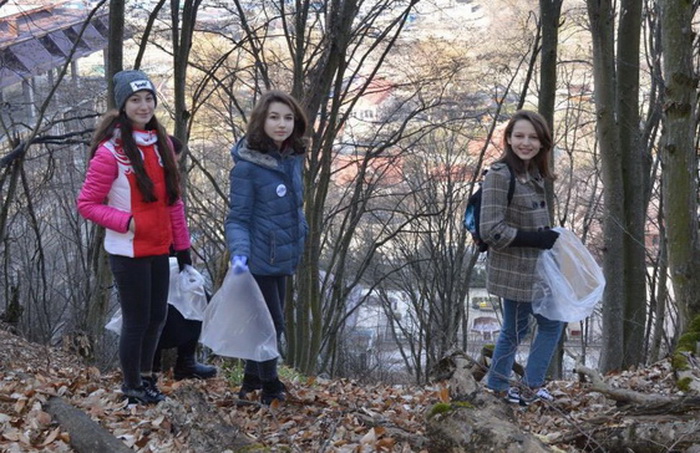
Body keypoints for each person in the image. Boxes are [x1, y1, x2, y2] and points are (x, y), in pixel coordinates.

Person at [77, 70, 192, 404]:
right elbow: (87, 204)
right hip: (127, 251)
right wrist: (127, 222)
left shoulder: (162, 144)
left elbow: (173, 201)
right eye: (135, 100)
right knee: (136, 321)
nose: (144, 106)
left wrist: (182, 247)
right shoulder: (110, 152)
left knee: (157, 318)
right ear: (123, 106)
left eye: (148, 99)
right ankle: (131, 387)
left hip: (159, 247)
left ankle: (146, 380)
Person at [225, 90, 308, 405]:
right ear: (261, 121)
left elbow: (294, 206)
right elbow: (237, 218)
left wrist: (301, 232)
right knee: (271, 324)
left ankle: (250, 381)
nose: (281, 124)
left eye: (288, 118)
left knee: (266, 321)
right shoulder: (247, 166)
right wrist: (240, 254)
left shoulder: (291, 158)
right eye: (274, 117)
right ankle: (271, 386)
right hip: (257, 257)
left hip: (282, 256)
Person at [480, 110, 564, 406]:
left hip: (538, 269)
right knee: (517, 330)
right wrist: (535, 239)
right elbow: (490, 230)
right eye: (519, 136)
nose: (525, 143)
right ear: (508, 139)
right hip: (514, 271)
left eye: (533, 137)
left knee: (546, 324)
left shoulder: (534, 173)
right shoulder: (499, 175)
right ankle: (504, 388)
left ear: (543, 143)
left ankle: (518, 387)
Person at [152, 135, 217, 381]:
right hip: (148, 251)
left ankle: (186, 361)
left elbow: (176, 216)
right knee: (154, 309)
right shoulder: (146, 177)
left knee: (198, 297)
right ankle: (150, 366)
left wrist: (183, 252)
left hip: (171, 251)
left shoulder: (170, 179)